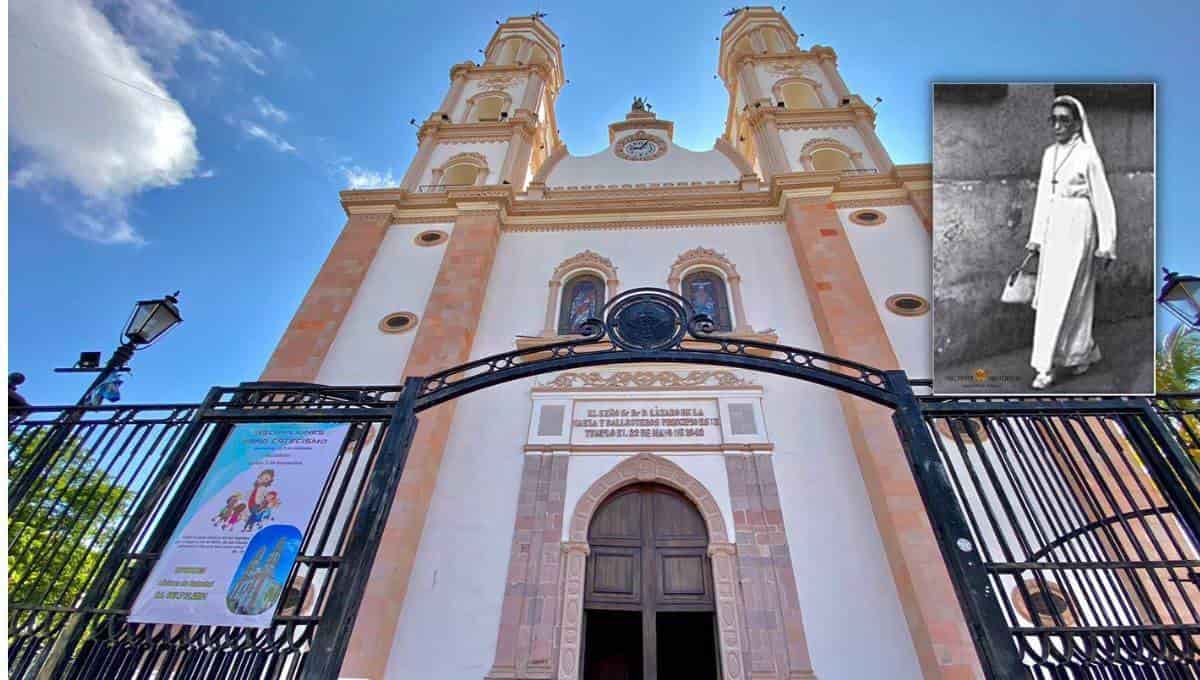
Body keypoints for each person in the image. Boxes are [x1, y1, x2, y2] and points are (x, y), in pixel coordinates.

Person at [1025, 95, 1117, 389]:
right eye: (1053, 119)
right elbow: (1043, 197)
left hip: (1079, 226)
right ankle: (1080, 354)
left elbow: (1102, 199)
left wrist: (1107, 243)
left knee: (1071, 294)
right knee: (1054, 297)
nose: (1058, 125)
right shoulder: (1048, 154)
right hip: (1054, 230)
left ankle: (1045, 367)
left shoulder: (1087, 155)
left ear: (1077, 123)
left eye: (1064, 120)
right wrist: (1036, 238)